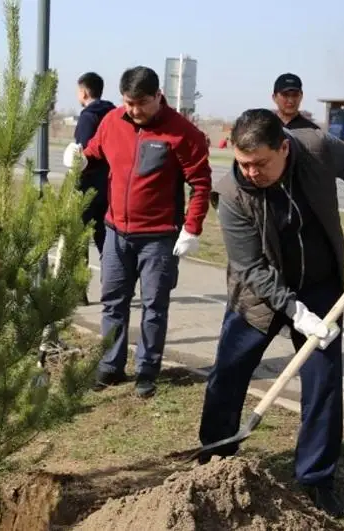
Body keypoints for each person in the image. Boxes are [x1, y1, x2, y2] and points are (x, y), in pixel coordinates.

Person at [198, 109, 344, 518]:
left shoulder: (317, 147)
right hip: (259, 294)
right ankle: (214, 461)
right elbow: (251, 269)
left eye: (261, 163)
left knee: (323, 383)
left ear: (284, 147)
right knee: (228, 375)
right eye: (244, 164)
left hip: (320, 288)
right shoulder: (231, 193)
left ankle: (316, 479)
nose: (251, 172)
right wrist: (294, 312)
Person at [63, 66, 212, 398]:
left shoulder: (182, 132)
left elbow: (201, 184)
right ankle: (110, 366)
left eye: (141, 103)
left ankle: (147, 370)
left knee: (154, 306)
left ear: (158, 96)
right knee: (113, 302)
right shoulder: (112, 122)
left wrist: (192, 227)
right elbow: (94, 154)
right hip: (115, 231)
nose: (134, 110)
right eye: (128, 102)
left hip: (159, 237)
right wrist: (80, 159)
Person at [74, 72, 115, 267]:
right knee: (105, 235)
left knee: (79, 236)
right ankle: (115, 283)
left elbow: (83, 153)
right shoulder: (114, 115)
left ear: (83, 93)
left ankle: (79, 292)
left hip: (89, 185)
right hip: (110, 184)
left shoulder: (88, 117)